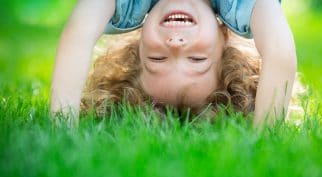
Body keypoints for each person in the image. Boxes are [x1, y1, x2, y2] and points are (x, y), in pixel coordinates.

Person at [51, 0, 297, 126]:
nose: (176, 43)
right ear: (223, 38)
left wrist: (61, 129)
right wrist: (265, 138)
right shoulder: (242, 7)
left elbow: (79, 32)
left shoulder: (125, 5)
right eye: (197, 59)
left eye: (158, 59)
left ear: (140, 44)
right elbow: (279, 53)